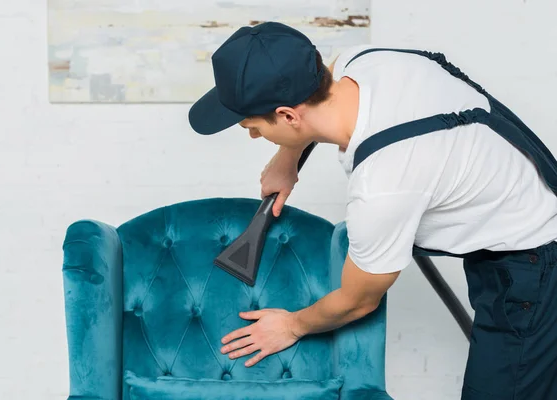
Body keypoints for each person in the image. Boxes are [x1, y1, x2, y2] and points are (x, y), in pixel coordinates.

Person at [187, 21, 557, 399]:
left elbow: (358, 300)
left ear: (287, 116)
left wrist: (292, 325)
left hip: (533, 268)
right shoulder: (363, 61)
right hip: (525, 233)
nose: (252, 135)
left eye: (253, 127)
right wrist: (289, 156)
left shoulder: (384, 182)